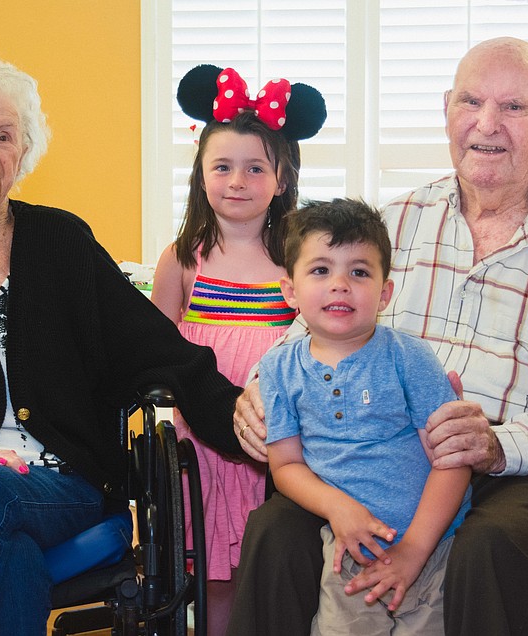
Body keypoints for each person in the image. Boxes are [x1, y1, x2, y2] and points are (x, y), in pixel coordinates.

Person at [227, 37, 528, 636]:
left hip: (518, 468)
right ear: (447, 110)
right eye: (471, 101)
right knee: (274, 533)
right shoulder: (395, 221)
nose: (487, 125)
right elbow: (305, 332)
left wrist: (496, 444)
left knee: (488, 546)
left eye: (515, 107)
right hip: (375, 457)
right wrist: (258, 396)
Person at [0, 54, 246, 636]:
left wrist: (237, 413)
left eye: (4, 136)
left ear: (21, 155)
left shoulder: (62, 241)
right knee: (8, 551)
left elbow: (157, 346)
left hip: (55, 485)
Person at [150, 64, 325, 634]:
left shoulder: (297, 260)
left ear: (282, 178)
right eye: (222, 166)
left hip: (284, 438)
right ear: (200, 175)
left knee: (271, 560)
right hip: (201, 440)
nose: (237, 180)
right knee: (216, 569)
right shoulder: (183, 258)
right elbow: (153, 346)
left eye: (256, 168)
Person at [261, 199, 470, 635]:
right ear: (289, 291)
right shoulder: (279, 369)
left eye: (359, 271)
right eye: (320, 270)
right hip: (348, 550)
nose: (340, 284)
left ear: (385, 292)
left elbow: (453, 459)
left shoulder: (408, 356)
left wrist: (414, 548)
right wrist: (338, 508)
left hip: (433, 545)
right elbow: (285, 465)